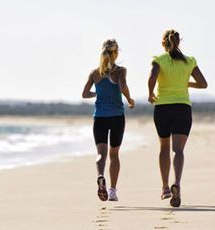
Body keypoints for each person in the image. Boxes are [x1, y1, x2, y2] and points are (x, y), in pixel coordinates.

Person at [148, 29, 208, 207]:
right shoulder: (189, 61)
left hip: (163, 108)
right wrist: (185, 83)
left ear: (163, 43)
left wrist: (150, 94)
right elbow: (204, 84)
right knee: (178, 150)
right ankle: (177, 183)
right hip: (182, 108)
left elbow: (151, 78)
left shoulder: (159, 59)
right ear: (179, 42)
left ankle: (165, 187)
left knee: (164, 147)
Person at [82, 39, 135, 201]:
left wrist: (96, 94)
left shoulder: (94, 73)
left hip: (100, 118)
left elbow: (84, 94)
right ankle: (112, 191)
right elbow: (123, 85)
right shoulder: (120, 71)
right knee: (114, 154)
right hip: (117, 117)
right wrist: (129, 99)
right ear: (116, 53)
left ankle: (100, 176)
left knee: (101, 154)